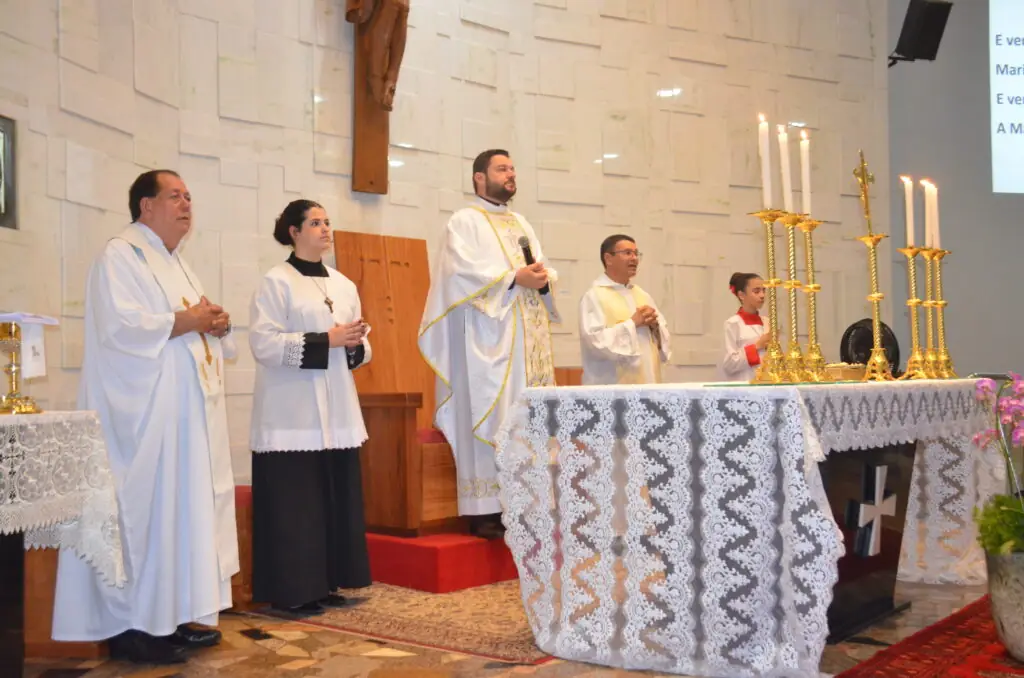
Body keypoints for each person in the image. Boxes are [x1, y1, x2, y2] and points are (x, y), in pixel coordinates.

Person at [52, 170, 238, 665]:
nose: (186, 204)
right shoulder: (122, 254)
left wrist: (214, 323)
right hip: (138, 421)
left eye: (190, 197)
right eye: (175, 196)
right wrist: (189, 321)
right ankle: (131, 626)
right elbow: (122, 327)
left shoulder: (178, 263)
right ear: (145, 206)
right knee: (140, 516)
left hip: (177, 421)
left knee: (174, 516)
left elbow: (191, 321)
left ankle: (170, 615)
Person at [418, 149, 559, 540]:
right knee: (489, 415)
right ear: (480, 178)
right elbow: (459, 273)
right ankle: (484, 510)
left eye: (513, 168)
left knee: (524, 421)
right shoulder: (464, 221)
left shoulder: (521, 222)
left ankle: (523, 506)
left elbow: (539, 267)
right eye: (502, 168)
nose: (511, 174)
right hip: (487, 341)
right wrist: (514, 278)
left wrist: (541, 279)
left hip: (525, 344)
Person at [248, 199, 372, 615]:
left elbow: (360, 341)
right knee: (296, 504)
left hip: (336, 407)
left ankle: (324, 583)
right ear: (293, 232)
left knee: (330, 498)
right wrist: (326, 340)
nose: (324, 229)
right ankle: (292, 590)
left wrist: (356, 344)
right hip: (291, 412)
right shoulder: (276, 280)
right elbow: (263, 344)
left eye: (327, 222)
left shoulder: (343, 283)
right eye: (314, 223)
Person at [579, 234, 671, 385]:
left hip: (648, 383)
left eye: (636, 253)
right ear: (608, 258)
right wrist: (632, 323)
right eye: (628, 253)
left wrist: (655, 327)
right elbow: (595, 343)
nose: (634, 258)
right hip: (612, 389)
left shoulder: (643, 295)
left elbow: (663, 346)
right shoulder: (594, 296)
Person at [719, 272, 773, 383]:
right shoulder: (733, 324)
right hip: (744, 383)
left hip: (768, 383)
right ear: (741, 295)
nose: (762, 295)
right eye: (756, 291)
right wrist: (757, 346)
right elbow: (729, 364)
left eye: (764, 290)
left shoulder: (768, 322)